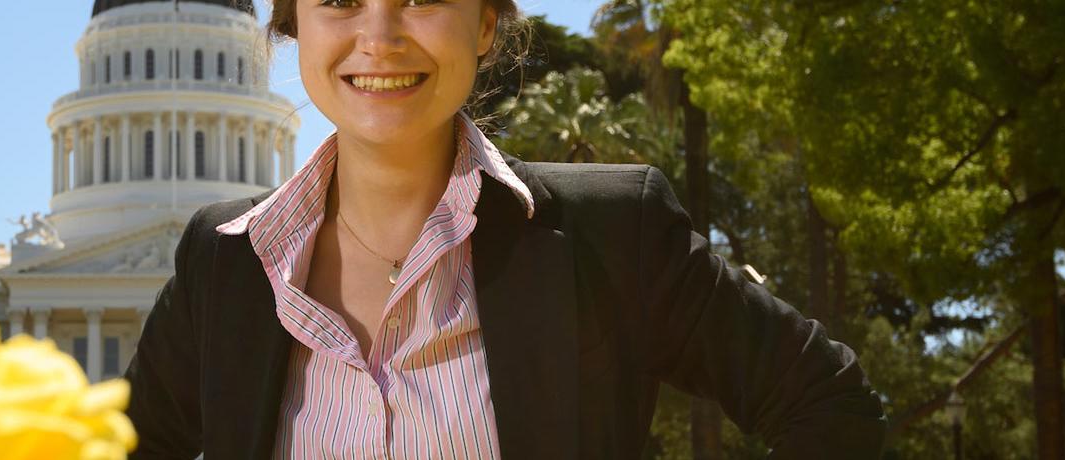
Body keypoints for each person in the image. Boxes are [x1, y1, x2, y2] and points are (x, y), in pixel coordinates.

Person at [125, 0, 886, 458]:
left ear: (486, 22)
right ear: (295, 26)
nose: (379, 37)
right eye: (341, 0)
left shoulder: (611, 234)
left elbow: (828, 401)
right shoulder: (224, 261)